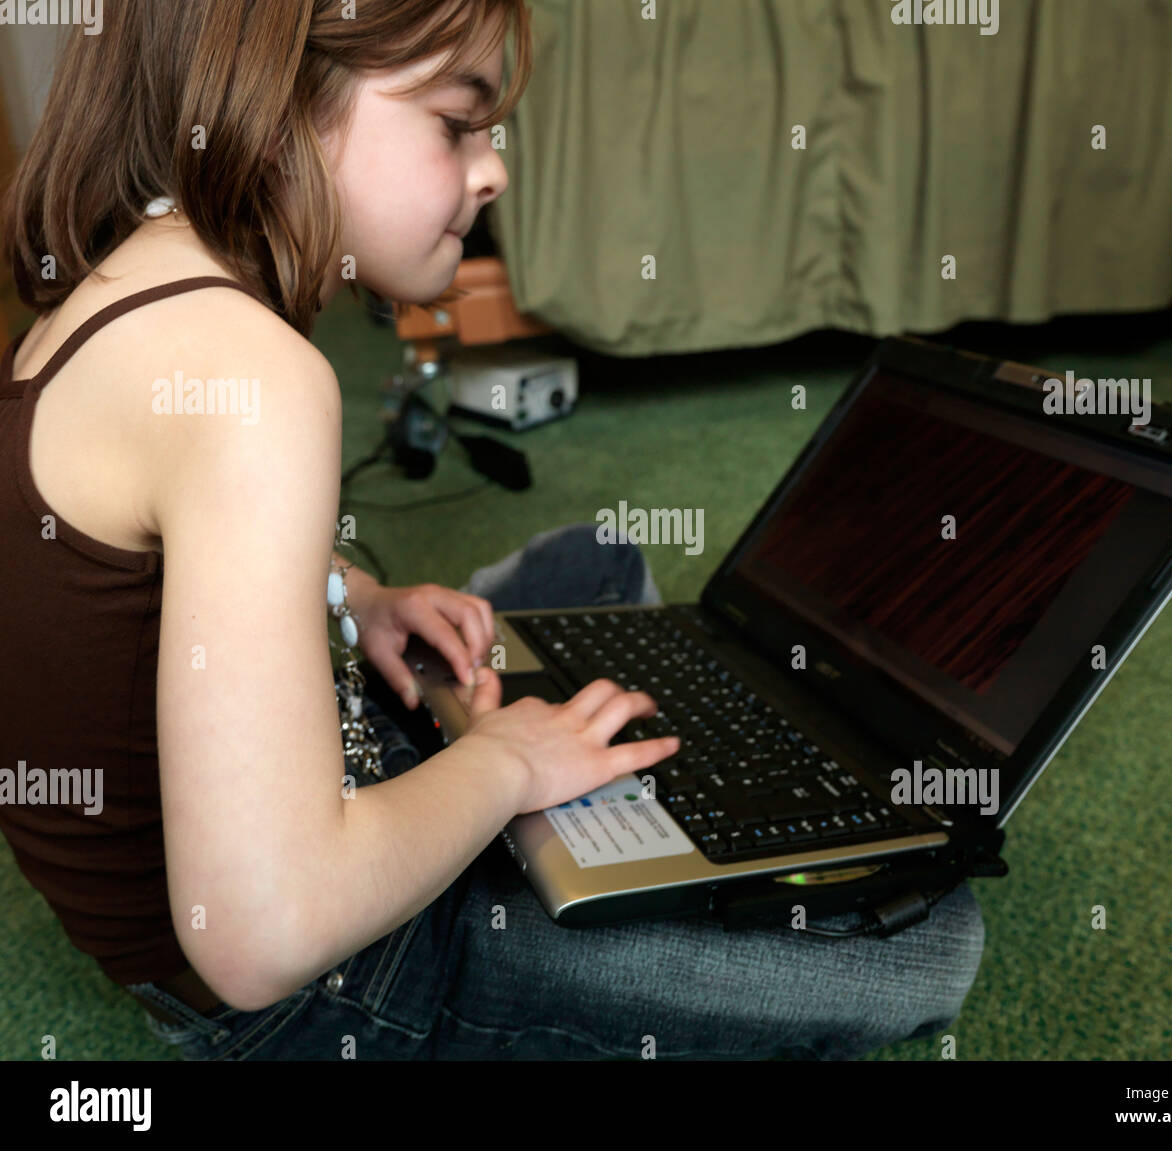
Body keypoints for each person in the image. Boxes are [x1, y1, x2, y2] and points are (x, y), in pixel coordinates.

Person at [0, 0, 984, 1060]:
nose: (493, 171)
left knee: (589, 564)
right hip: (323, 983)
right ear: (282, 107)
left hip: (276, 821)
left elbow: (137, 578)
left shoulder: (119, 303)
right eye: (456, 124)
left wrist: (352, 599)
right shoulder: (254, 378)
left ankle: (581, 803)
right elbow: (257, 935)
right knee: (929, 944)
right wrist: (505, 769)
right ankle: (574, 815)